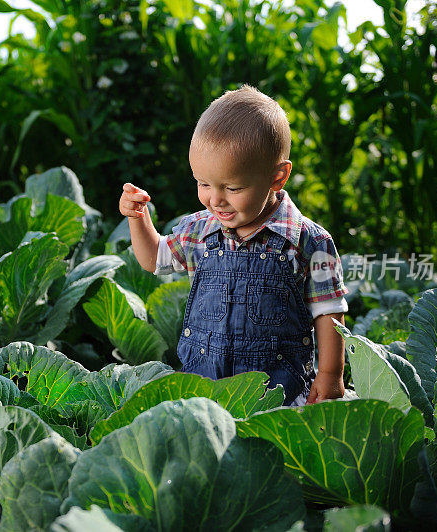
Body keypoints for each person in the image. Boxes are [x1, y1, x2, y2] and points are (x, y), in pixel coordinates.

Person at [118, 85, 348, 406]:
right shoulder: (199, 230)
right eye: (203, 183)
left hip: (277, 392)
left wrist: (330, 374)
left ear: (277, 177)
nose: (215, 199)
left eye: (233, 187)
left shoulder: (308, 241)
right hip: (202, 386)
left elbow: (329, 312)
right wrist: (137, 218)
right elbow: (154, 258)